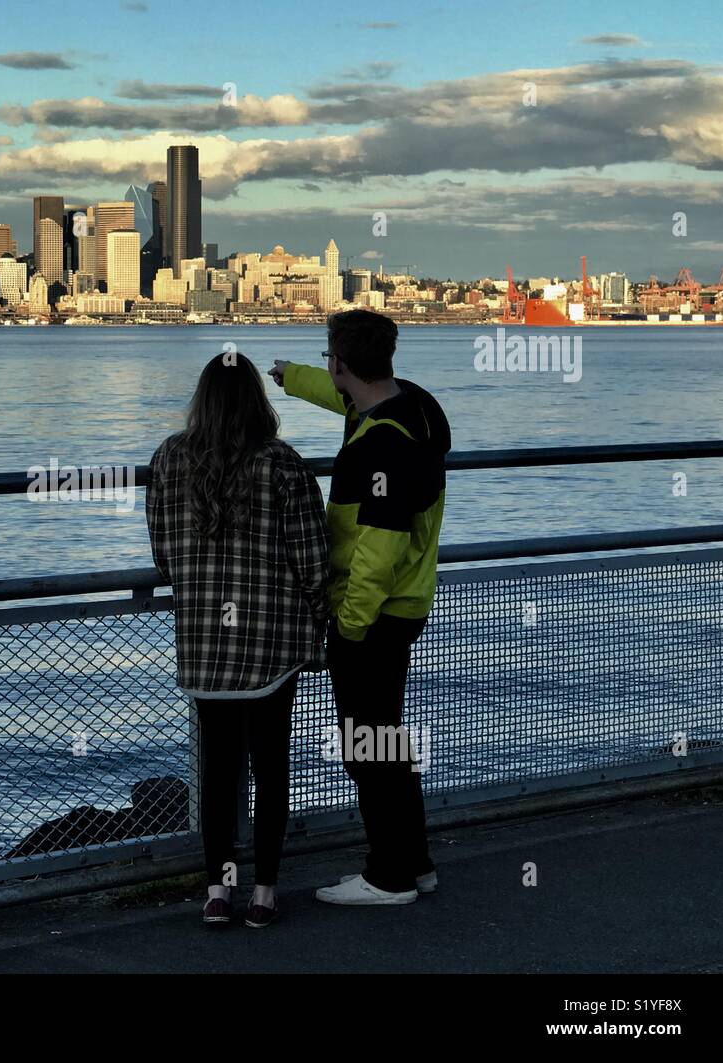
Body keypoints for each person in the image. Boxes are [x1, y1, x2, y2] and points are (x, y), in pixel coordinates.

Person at [269, 308, 451, 906]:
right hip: (403, 604)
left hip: (372, 614)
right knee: (386, 742)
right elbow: (344, 397)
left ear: (343, 361)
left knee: (366, 747)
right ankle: (413, 862)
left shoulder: (382, 449)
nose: (331, 371)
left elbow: (378, 547)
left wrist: (348, 626)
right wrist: (291, 376)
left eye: (329, 359)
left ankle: (389, 876)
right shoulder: (410, 406)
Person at [146, 351, 329, 929]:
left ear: (202, 399)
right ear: (257, 399)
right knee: (270, 768)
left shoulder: (169, 458)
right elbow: (313, 560)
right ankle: (265, 894)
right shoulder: (283, 464)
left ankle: (217, 893)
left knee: (218, 772)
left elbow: (162, 554)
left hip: (203, 640)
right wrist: (326, 618)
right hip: (272, 641)